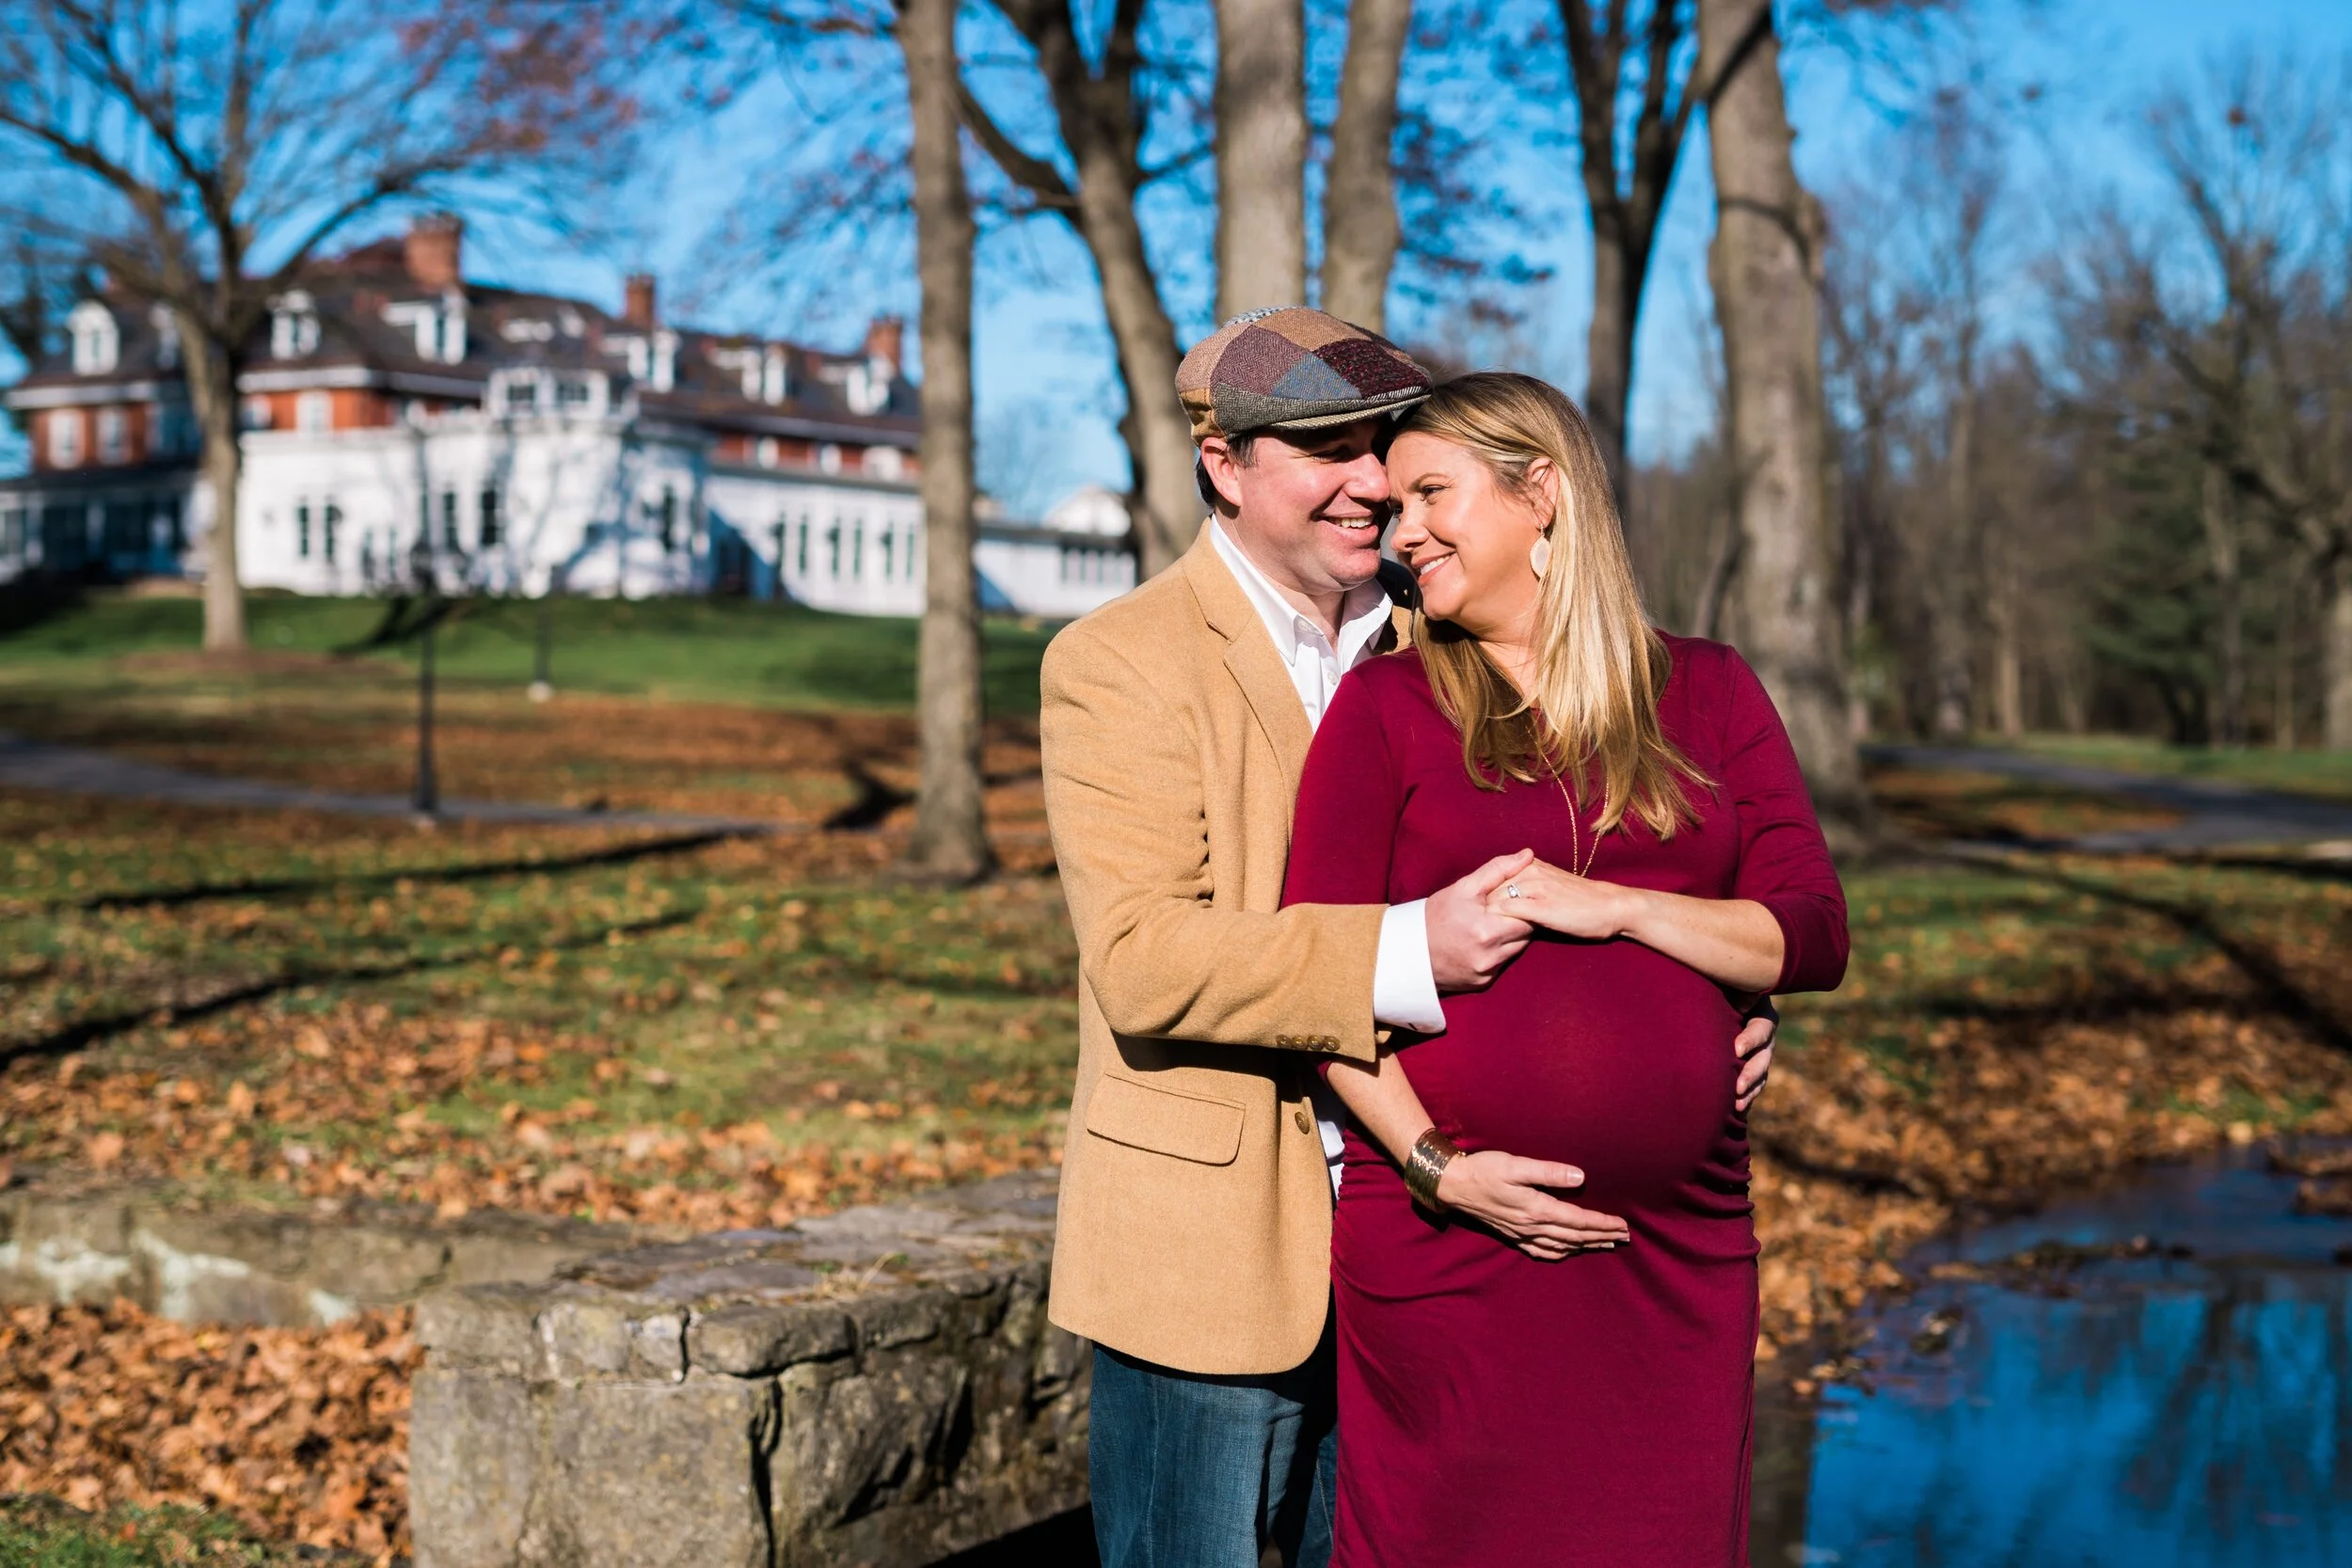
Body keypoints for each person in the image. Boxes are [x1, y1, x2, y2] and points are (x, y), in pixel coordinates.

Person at [1040, 313, 1779, 1568]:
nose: (1373, 479)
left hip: (1438, 1267)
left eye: (1383, 441)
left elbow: (1597, 862)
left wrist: (1705, 1012)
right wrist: (1403, 951)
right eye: (1328, 446)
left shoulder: (1445, 625)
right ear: (1226, 464)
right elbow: (1145, 956)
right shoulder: (1119, 662)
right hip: (1216, 1251)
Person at [1280, 371, 1849, 1567]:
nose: (1404, 530)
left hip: (1673, 1256)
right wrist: (1442, 1168)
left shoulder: (1708, 689)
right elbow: (1316, 977)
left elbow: (1808, 931)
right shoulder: (1387, 705)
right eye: (1394, 508)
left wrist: (1624, 911)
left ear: (1541, 493)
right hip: (1452, 1250)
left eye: (1433, 492)